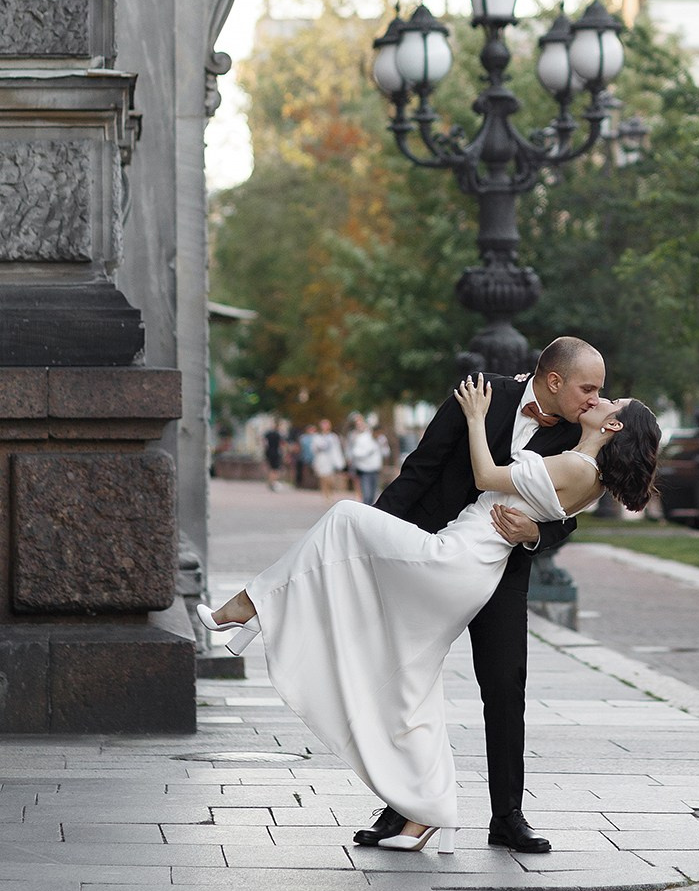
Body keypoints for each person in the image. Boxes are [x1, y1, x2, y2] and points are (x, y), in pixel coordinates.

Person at [198, 346, 659, 858]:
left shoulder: (583, 431)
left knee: (505, 686)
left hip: (497, 567)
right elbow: (420, 471)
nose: (597, 398)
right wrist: (378, 543)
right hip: (429, 548)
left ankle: (506, 816)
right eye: (588, 389)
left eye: (600, 393)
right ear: (553, 380)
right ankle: (408, 806)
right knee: (404, 674)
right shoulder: (481, 392)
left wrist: (535, 533)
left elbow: (564, 512)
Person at [344, 413, 382, 503]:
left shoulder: (377, 439)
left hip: (374, 468)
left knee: (373, 494)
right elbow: (353, 451)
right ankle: (359, 497)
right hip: (363, 467)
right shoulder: (357, 437)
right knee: (366, 492)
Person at [310, 418, 346, 502]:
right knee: (323, 478)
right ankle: (325, 494)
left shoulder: (333, 437)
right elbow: (314, 448)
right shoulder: (317, 437)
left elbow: (337, 449)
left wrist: (340, 461)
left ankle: (330, 492)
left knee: (330, 479)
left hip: (331, 460)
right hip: (321, 460)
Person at [263, 422, 287, 493]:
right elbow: (282, 444)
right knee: (276, 469)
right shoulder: (278, 434)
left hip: (269, 452)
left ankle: (270, 481)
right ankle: (273, 482)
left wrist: (266, 450)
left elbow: (264, 442)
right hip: (276, 452)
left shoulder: (268, 434)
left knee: (271, 468)